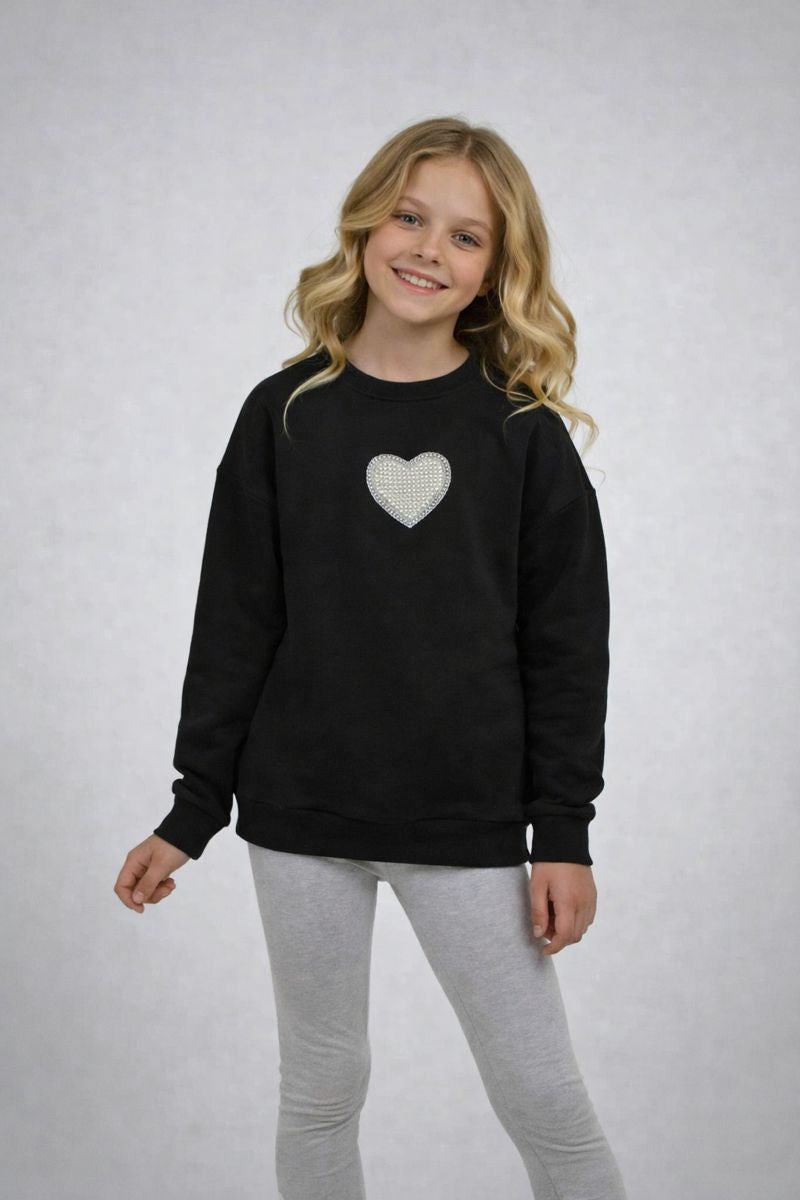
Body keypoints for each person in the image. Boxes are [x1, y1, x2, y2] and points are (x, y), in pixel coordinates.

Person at [114, 115, 629, 1199]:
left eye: (465, 236)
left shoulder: (521, 434)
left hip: (466, 822)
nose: (428, 250)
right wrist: (192, 809)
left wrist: (563, 831)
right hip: (300, 819)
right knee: (319, 1090)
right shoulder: (282, 415)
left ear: (495, 271)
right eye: (409, 218)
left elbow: (567, 646)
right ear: (363, 226)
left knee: (543, 1100)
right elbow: (234, 623)